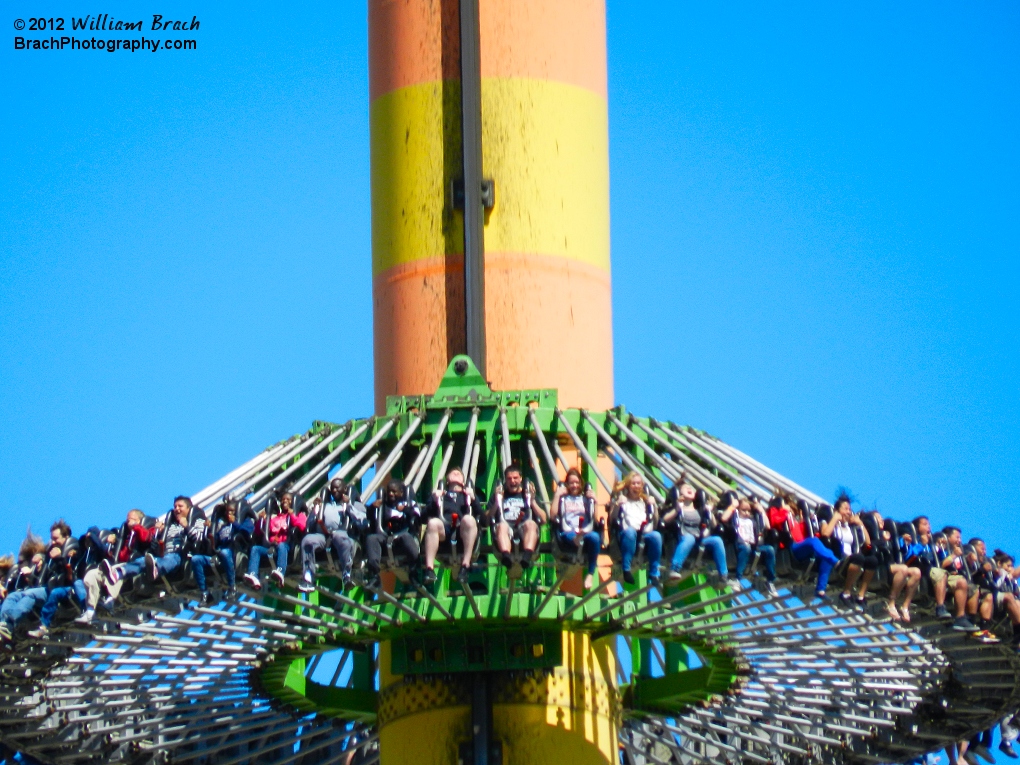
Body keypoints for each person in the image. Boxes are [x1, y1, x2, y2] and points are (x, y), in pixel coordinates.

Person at [81, 509, 152, 624]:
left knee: (117, 570)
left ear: (139, 520)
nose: (128, 520)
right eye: (127, 518)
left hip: (131, 564)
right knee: (91, 575)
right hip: (116, 564)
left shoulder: (144, 530)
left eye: (132, 518)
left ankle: (110, 601)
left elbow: (146, 538)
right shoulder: (123, 536)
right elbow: (115, 554)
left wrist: (137, 527)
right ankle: (90, 611)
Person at [660, 479, 732, 587]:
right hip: (682, 536)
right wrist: (677, 508)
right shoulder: (678, 508)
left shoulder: (700, 510)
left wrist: (709, 512)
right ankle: (675, 568)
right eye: (685, 488)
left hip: (699, 538)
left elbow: (714, 525)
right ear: (680, 493)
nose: (689, 489)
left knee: (717, 540)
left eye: (691, 488)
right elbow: (665, 519)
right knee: (690, 538)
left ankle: (723, 575)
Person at [768, 495, 839, 600]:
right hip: (791, 549)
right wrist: (784, 511)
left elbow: (807, 537)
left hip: (802, 549)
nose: (792, 513)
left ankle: (820, 589)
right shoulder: (780, 516)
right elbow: (775, 521)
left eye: (794, 512)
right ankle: (836, 562)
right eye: (791, 510)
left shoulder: (798, 523)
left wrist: (807, 521)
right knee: (814, 542)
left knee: (826, 553)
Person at [299, 479, 364, 592]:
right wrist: (315, 509)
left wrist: (349, 505)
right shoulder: (326, 505)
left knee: (340, 537)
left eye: (337, 487)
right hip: (323, 536)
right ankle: (308, 577)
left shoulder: (355, 504)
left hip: (341, 533)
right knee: (307, 540)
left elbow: (362, 521)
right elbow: (309, 524)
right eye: (332, 488)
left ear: (344, 489)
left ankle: (347, 574)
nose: (334, 490)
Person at [26, 521, 84, 638]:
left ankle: (44, 626)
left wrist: (60, 558)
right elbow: (47, 576)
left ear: (66, 537)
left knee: (55, 593)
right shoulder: (51, 555)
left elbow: (71, 575)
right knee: (30, 594)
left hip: (72, 587)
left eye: (56, 538)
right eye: (51, 539)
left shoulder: (74, 550)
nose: (53, 542)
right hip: (55, 586)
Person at [423, 469, 481, 585]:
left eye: (459, 473)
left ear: (463, 482)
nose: (455, 473)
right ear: (447, 480)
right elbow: (423, 517)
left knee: (468, 519)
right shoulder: (440, 496)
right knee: (433, 523)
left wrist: (473, 499)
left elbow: (483, 519)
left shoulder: (467, 497)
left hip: (462, 531)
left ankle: (465, 566)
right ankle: (429, 569)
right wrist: (434, 500)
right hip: (444, 531)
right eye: (452, 472)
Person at [487, 465, 546, 576]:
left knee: (531, 524)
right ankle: (506, 556)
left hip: (523, 529)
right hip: (506, 528)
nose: (512, 481)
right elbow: (486, 519)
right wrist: (496, 502)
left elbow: (543, 519)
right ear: (505, 480)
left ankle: (527, 555)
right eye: (509, 479)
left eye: (515, 478)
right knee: (501, 526)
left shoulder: (527, 495)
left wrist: (532, 501)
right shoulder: (499, 495)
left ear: (520, 479)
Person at [191, 500, 254, 603]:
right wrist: (210, 532)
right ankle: (205, 593)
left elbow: (248, 533)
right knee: (196, 559)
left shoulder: (245, 521)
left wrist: (235, 523)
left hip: (236, 553)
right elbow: (215, 543)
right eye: (228, 512)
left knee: (225, 552)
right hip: (220, 555)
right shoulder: (223, 527)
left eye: (232, 511)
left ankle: (232, 587)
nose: (229, 514)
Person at [550, 468, 601, 590]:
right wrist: (557, 495)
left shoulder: (585, 500)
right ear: (567, 484)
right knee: (569, 535)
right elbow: (552, 515)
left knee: (595, 537)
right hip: (568, 531)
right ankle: (577, 539)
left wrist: (595, 501)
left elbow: (596, 519)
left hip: (584, 531)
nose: (574, 485)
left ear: (581, 484)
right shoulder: (563, 499)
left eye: (577, 482)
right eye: (571, 483)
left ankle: (590, 573)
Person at [364, 479, 420, 589]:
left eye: (394, 492)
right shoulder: (382, 506)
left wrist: (405, 510)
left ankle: (414, 572)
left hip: (403, 535)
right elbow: (371, 519)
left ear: (401, 493)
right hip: (386, 536)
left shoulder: (409, 503)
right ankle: (374, 576)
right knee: (371, 539)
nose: (391, 494)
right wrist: (372, 508)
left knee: (407, 538)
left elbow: (417, 516)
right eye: (389, 491)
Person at [609, 472, 663, 586]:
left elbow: (656, 522)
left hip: (643, 534)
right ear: (628, 485)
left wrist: (654, 507)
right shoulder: (622, 500)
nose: (636, 486)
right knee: (630, 532)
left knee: (656, 536)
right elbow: (612, 518)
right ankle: (626, 568)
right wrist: (617, 504)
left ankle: (654, 573)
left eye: (639, 483)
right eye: (633, 483)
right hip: (626, 533)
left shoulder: (645, 502)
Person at [244, 492, 306, 590]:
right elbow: (259, 532)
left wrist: (292, 515)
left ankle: (280, 571)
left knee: (282, 545)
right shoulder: (275, 518)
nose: (285, 501)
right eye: (283, 499)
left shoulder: (299, 515)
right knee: (256, 549)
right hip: (273, 547)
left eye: (288, 499)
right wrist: (262, 520)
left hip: (288, 546)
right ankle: (253, 575)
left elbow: (303, 527)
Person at [826, 497, 880, 606]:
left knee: (872, 560)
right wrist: (835, 519)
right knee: (858, 558)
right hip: (838, 558)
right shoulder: (833, 524)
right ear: (837, 511)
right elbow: (826, 533)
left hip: (852, 558)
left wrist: (860, 524)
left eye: (849, 509)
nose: (848, 512)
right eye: (845, 509)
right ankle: (846, 592)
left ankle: (861, 595)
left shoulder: (851, 528)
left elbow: (868, 542)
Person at [720, 494, 777, 596]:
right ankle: (737, 578)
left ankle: (770, 580)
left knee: (770, 550)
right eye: (743, 510)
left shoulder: (753, 521)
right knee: (746, 548)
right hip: (738, 545)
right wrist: (733, 506)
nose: (747, 513)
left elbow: (767, 526)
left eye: (749, 511)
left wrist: (761, 511)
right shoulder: (735, 519)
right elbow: (724, 518)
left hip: (752, 546)